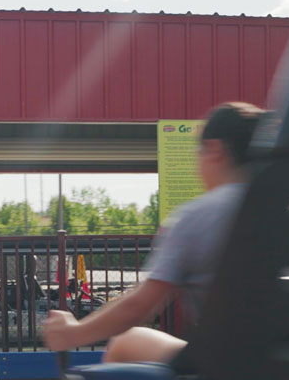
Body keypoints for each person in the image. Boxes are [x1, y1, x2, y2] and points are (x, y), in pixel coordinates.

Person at [43, 102, 264, 363]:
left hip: (226, 368)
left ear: (215, 150)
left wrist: (74, 333)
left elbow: (140, 307)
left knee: (128, 341)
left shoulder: (198, 216)